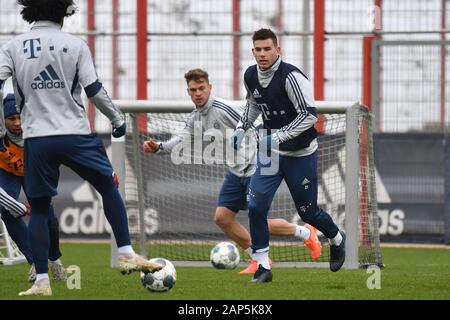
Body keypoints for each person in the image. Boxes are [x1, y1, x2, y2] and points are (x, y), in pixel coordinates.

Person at [0, 0, 161, 296]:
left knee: (38, 209)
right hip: (75, 134)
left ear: (29, 12)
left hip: (37, 139)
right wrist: (116, 118)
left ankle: (41, 282)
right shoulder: (75, 45)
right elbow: (94, 89)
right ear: (64, 12)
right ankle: (125, 252)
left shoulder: (12, 47)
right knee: (109, 184)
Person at [143, 68, 322, 274]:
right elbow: (181, 139)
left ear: (210, 88)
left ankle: (307, 233)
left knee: (260, 221)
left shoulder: (223, 108)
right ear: (188, 92)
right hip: (236, 170)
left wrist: (261, 151)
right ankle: (258, 259)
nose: (198, 93)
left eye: (202, 88)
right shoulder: (195, 117)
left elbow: (258, 123)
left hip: (257, 164)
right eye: (194, 90)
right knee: (222, 218)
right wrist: (159, 147)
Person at [230, 28, 346, 283]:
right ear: (253, 51)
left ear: (277, 50)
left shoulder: (291, 76)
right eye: (258, 50)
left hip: (300, 153)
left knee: (308, 213)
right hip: (270, 153)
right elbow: (252, 104)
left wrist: (279, 136)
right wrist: (241, 128)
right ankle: (263, 266)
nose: (262, 54)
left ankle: (337, 239)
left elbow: (309, 115)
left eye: (267, 49)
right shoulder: (250, 75)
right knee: (256, 206)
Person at [0, 93, 67, 283]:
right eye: (11, 118)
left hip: (33, 172)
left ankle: (54, 259)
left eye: (20, 117)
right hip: (7, 172)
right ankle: (36, 263)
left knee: (49, 219)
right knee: (6, 210)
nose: (17, 123)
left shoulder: (38, 132)